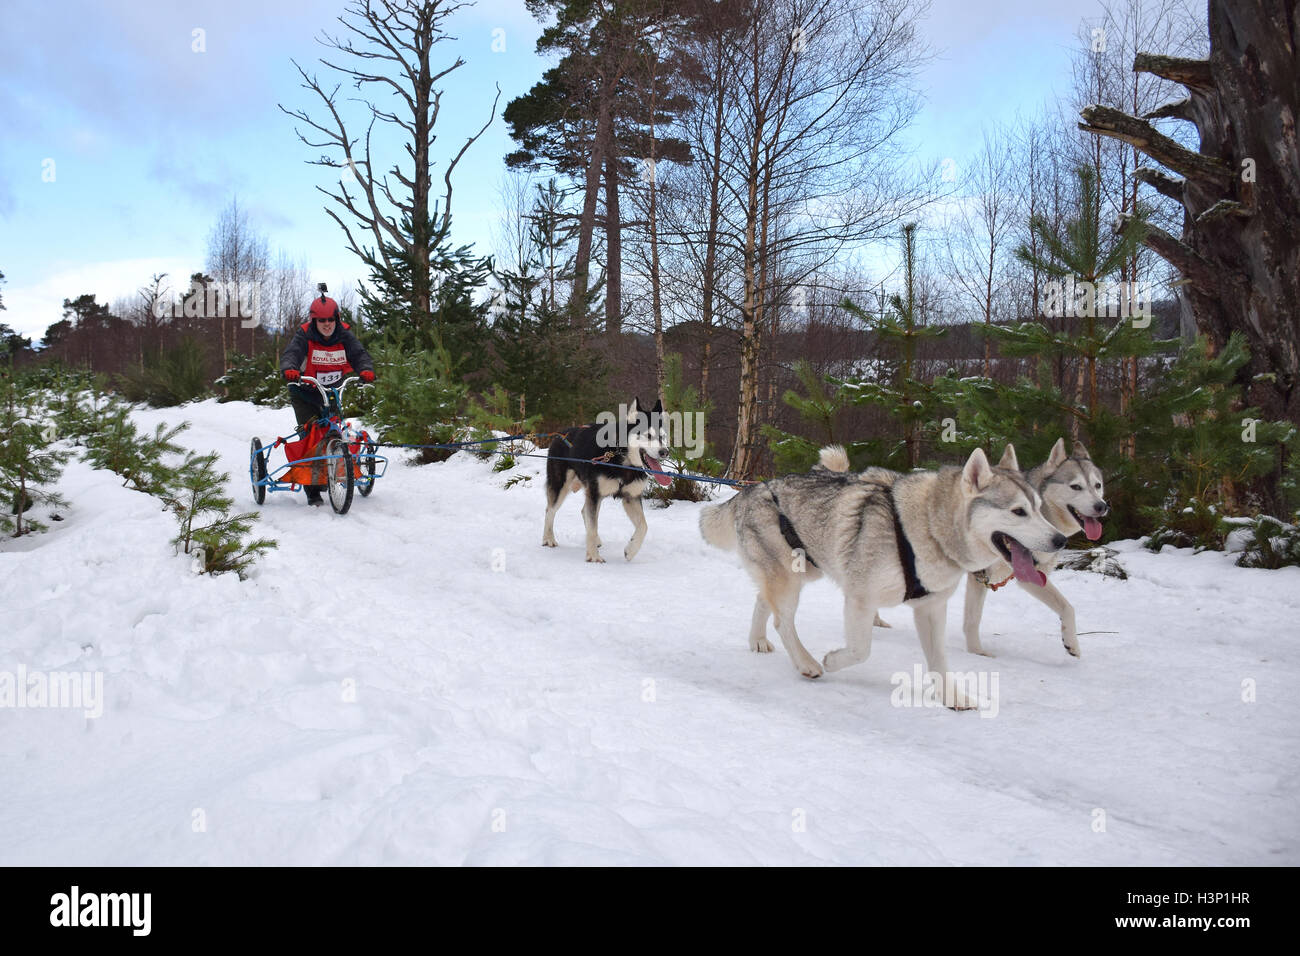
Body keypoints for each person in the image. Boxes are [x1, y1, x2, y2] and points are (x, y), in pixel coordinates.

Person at [279, 284, 376, 506]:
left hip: (332, 391)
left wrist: (366, 370)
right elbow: (292, 354)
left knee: (334, 431)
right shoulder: (304, 335)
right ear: (314, 321)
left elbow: (359, 354)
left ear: (337, 319)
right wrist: (290, 369)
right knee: (310, 434)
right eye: (321, 321)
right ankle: (312, 491)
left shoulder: (344, 335)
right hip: (304, 391)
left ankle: (334, 471)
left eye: (330, 320)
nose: (326, 325)